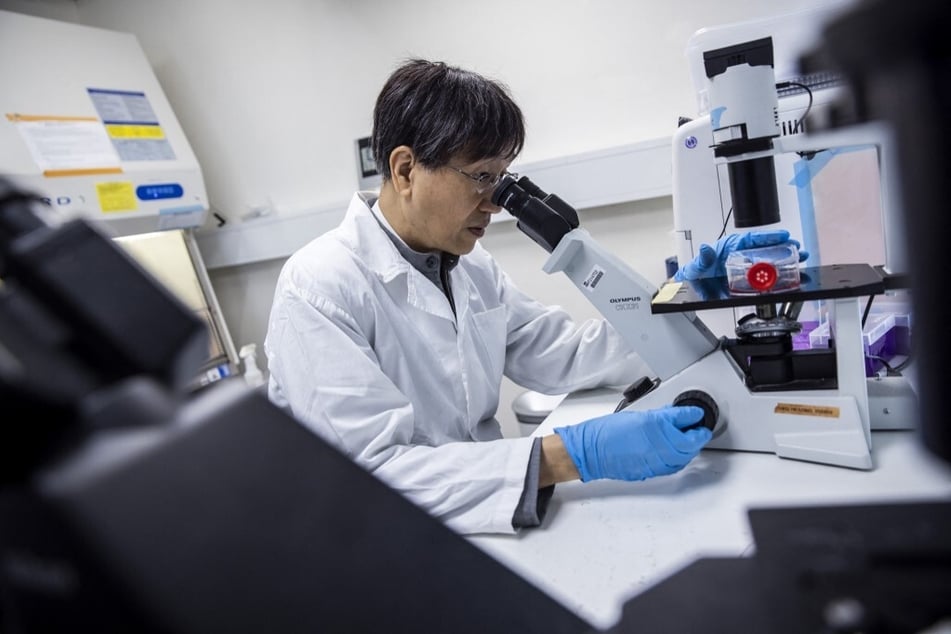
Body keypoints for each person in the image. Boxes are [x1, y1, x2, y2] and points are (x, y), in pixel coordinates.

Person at [265, 59, 802, 535]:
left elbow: (565, 355)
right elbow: (372, 477)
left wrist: (677, 301)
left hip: (480, 520)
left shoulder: (471, 268)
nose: (495, 205)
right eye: (481, 179)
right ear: (406, 169)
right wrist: (571, 456)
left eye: (502, 181)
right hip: (383, 551)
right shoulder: (319, 287)